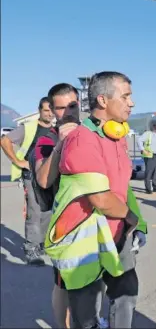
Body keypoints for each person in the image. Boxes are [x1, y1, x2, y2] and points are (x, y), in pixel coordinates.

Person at [43, 71, 148, 329]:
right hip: (86, 242)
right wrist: (131, 217)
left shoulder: (117, 137)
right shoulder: (82, 139)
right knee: (86, 317)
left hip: (115, 234)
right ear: (102, 100)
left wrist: (139, 224)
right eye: (125, 96)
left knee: (127, 293)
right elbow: (101, 199)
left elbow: (122, 188)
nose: (131, 103)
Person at [32, 83, 107, 328]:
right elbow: (44, 179)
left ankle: (90, 319)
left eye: (72, 106)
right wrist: (60, 144)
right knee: (64, 282)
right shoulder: (47, 138)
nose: (68, 113)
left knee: (96, 278)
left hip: (95, 217)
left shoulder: (93, 132)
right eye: (61, 108)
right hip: (66, 223)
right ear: (52, 110)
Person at [0, 97, 54, 265]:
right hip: (31, 175)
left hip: (50, 176)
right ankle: (31, 249)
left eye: (52, 110)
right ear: (39, 110)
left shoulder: (55, 130)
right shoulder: (29, 127)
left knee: (48, 211)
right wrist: (18, 161)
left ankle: (43, 244)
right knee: (34, 211)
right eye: (46, 110)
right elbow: (5, 140)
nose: (50, 113)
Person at [137, 120, 156, 194]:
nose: (155, 126)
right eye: (154, 125)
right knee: (149, 172)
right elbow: (139, 140)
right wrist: (142, 149)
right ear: (151, 126)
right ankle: (148, 188)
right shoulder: (147, 134)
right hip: (150, 155)